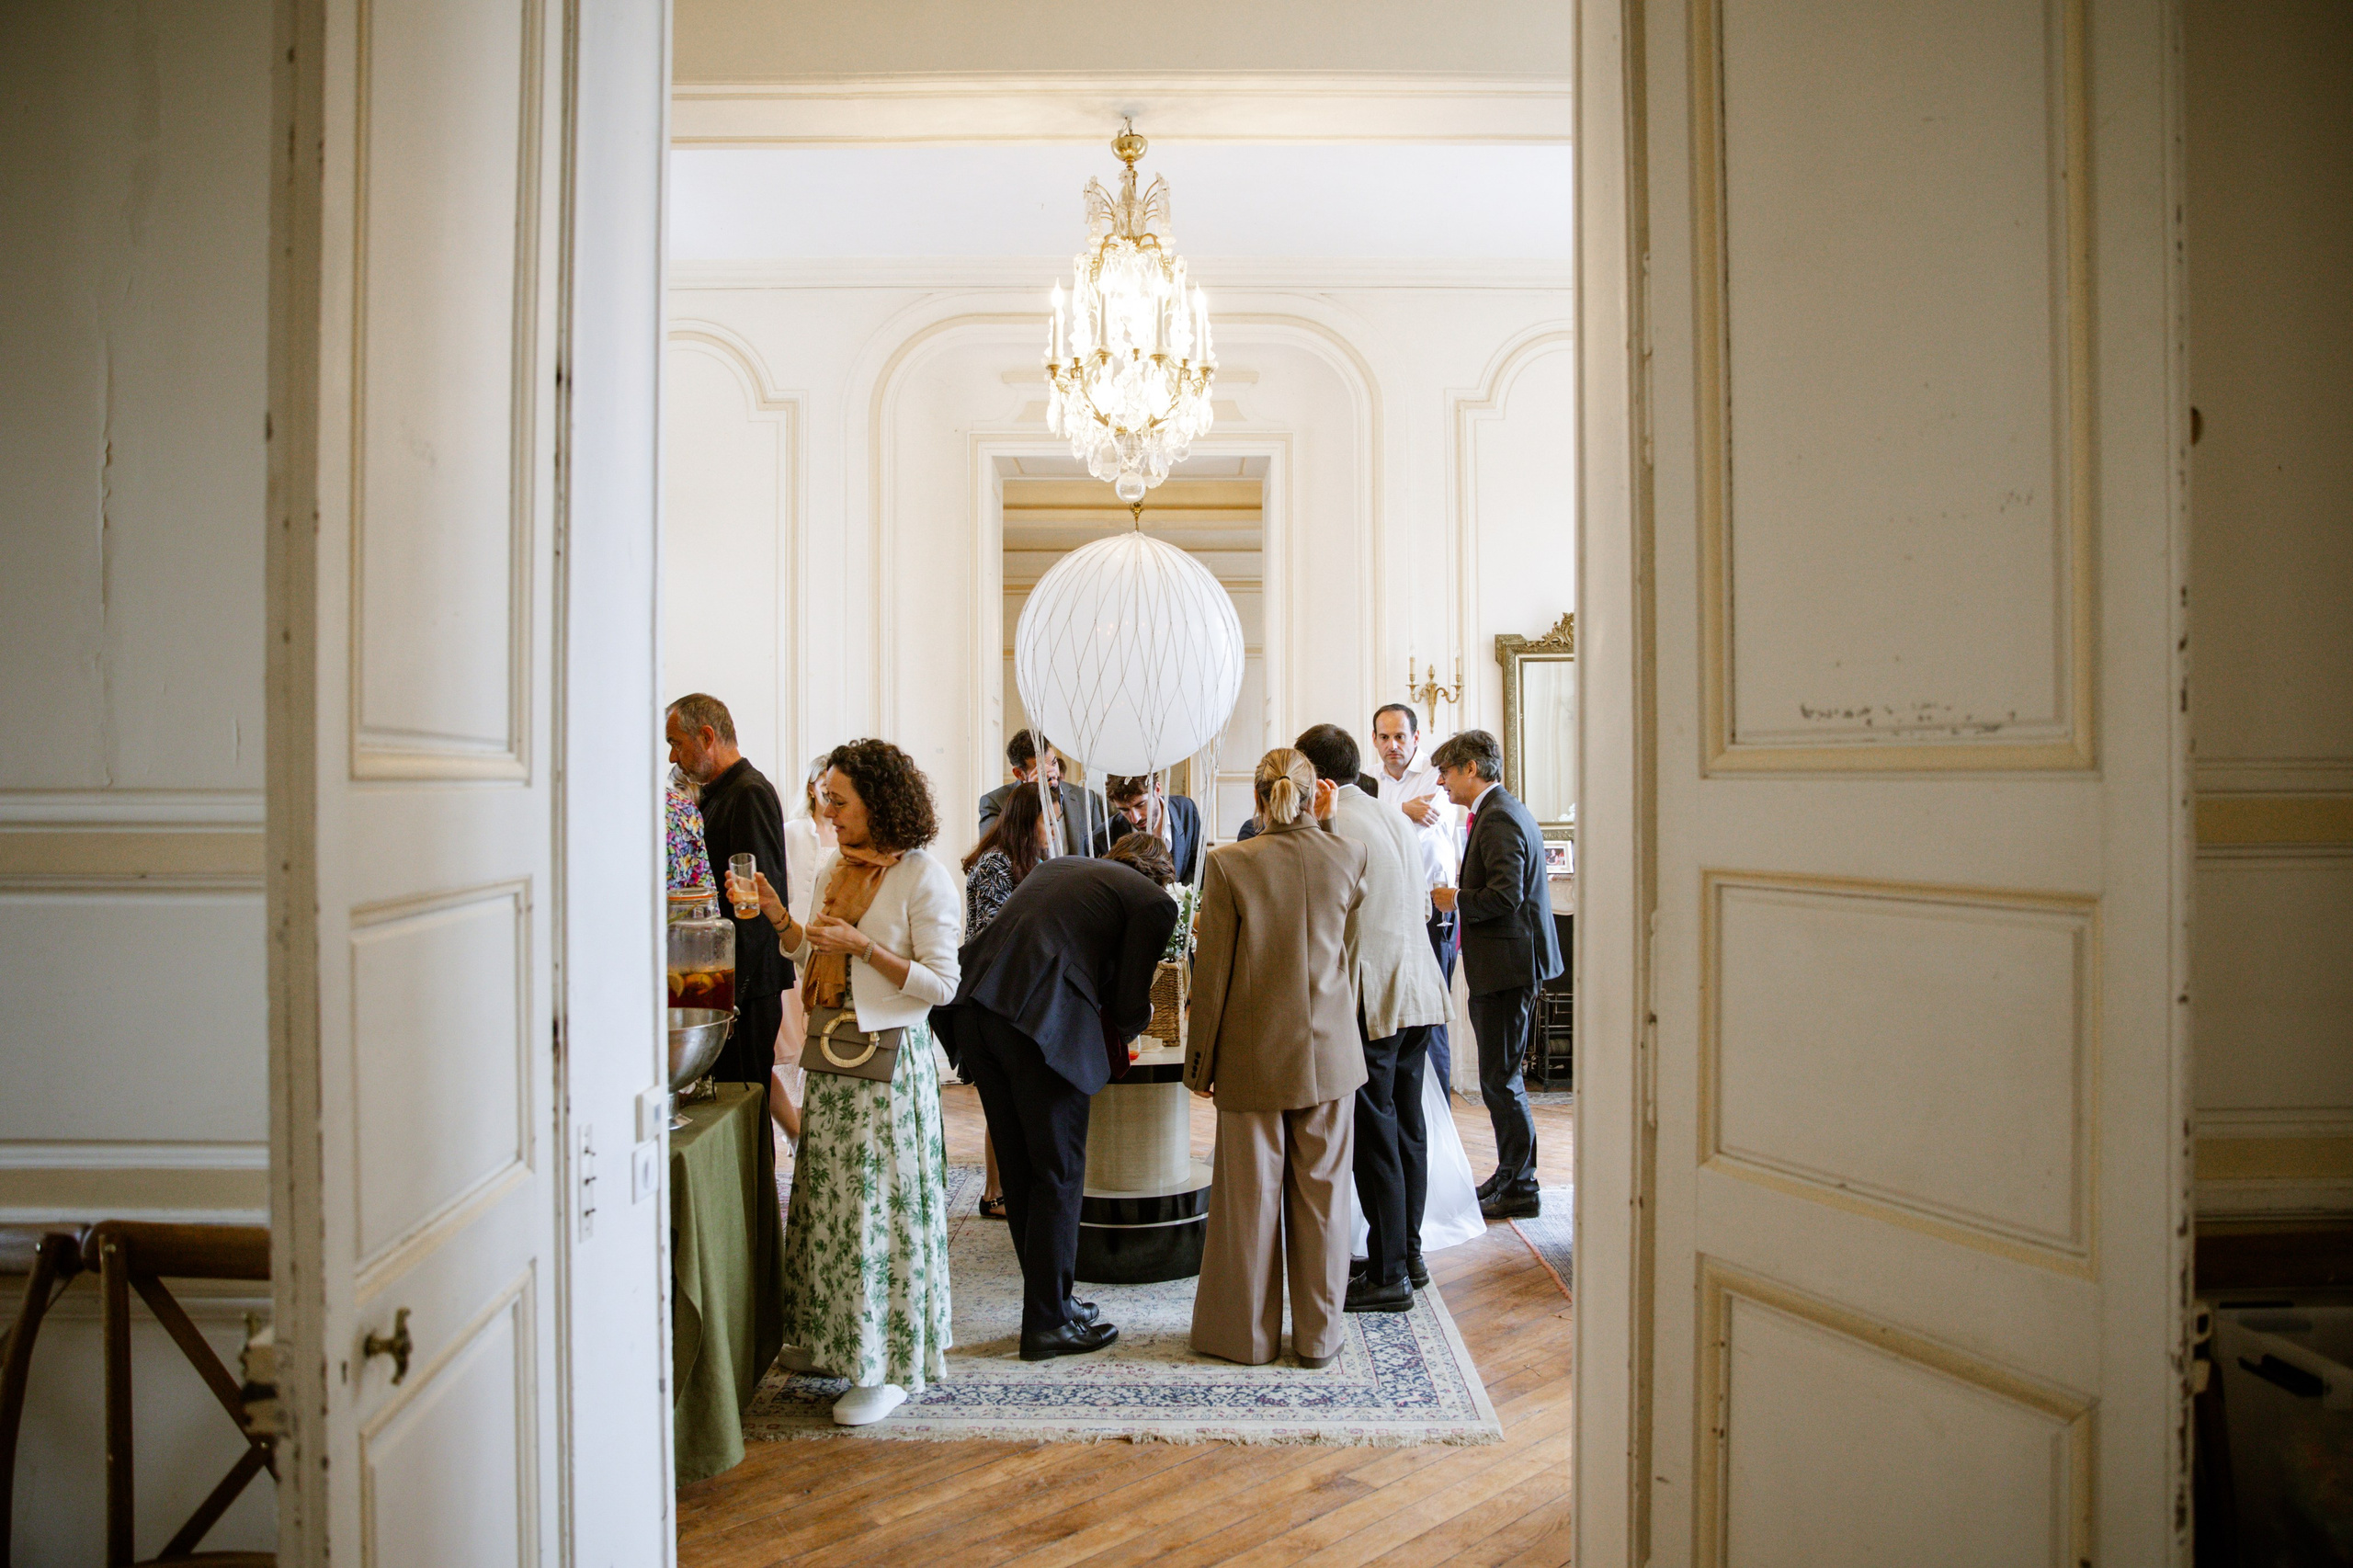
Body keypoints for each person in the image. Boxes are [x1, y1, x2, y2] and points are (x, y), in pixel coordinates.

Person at [731, 739, 961, 1426]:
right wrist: (778, 915)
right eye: (825, 797)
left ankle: (886, 1364)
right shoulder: (837, 865)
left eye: (839, 800)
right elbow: (810, 950)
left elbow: (943, 986)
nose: (826, 811)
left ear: (879, 804)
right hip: (835, 1060)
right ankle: (836, 1338)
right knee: (829, 1207)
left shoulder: (924, 878)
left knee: (876, 1215)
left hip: (890, 1070)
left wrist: (865, 948)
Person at [943, 832, 1179, 1361]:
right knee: (1060, 1171)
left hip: (975, 1011)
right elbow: (1126, 1003)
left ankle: (1053, 1302)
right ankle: (1048, 1324)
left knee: (1023, 1169)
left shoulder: (1066, 866)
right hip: (1034, 1024)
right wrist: (1135, 1025)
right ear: (1161, 874)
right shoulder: (1154, 901)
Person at [1183, 749, 1368, 1368]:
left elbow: (1212, 978)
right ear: (1318, 795)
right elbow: (1347, 953)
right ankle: (1319, 1339)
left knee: (1249, 1205)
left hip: (1251, 1057)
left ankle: (1247, 1339)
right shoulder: (1349, 855)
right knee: (1323, 1202)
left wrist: (1198, 1064)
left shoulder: (1230, 864)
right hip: (1331, 1056)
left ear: (1259, 800)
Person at [1295, 724, 1452, 1310]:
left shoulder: (1336, 825)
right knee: (1408, 1126)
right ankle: (1407, 1256)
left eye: (1303, 780)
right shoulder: (1389, 815)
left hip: (1375, 997)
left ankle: (1387, 1276)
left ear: (1323, 781)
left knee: (1373, 1133)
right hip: (1418, 991)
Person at [1428, 729, 1562, 1220]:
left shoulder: (1500, 816)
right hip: (1505, 965)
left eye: (1446, 772)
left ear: (1471, 769)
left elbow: (1507, 896)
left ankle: (1521, 1185)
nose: (1441, 782)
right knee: (1498, 1078)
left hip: (1509, 968)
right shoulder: (1497, 810)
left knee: (1502, 1081)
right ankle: (1511, 1173)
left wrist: (1454, 899)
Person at [665, 694, 792, 1105]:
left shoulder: (748, 792)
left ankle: (759, 1175)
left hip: (746, 991)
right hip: (732, 986)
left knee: (745, 1109)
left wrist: (732, 1000)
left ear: (706, 736)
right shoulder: (722, 792)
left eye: (676, 742)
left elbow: (754, 904)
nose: (672, 757)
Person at [959, 780, 1054, 1221]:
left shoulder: (1020, 861)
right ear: (1027, 821)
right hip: (989, 995)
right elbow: (993, 935)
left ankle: (1003, 1189)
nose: (1052, 827)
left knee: (1009, 1101)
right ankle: (994, 1193)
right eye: (1046, 819)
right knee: (1001, 1102)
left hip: (1008, 992)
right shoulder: (996, 865)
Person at [1361, 702, 1461, 1092]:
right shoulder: (1367, 778)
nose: (1392, 745)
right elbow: (1371, 828)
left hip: (1432, 912)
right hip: (1382, 908)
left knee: (1429, 1013)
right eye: (1384, 737)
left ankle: (1439, 1108)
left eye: (1400, 737)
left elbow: (1423, 823)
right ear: (1373, 740)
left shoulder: (1436, 777)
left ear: (1416, 738)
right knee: (1391, 1010)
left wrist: (1384, 813)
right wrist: (1402, 808)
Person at [772, 755, 837, 1147]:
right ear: (811, 787)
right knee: (790, 1046)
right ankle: (796, 1130)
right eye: (822, 784)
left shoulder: (851, 836)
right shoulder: (794, 831)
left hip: (829, 950)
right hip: (795, 945)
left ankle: (814, 1127)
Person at [977, 729, 1112, 858]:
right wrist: (1029, 798)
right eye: (1041, 769)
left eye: (1054, 763)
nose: (1053, 772)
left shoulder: (1085, 798)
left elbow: (1100, 853)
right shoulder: (995, 802)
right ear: (1019, 773)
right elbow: (992, 854)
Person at [1103, 773, 1204, 883]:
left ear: (1157, 789)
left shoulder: (1186, 809)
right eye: (1124, 810)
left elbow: (1198, 867)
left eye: (1140, 804)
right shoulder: (1102, 838)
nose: (1135, 818)